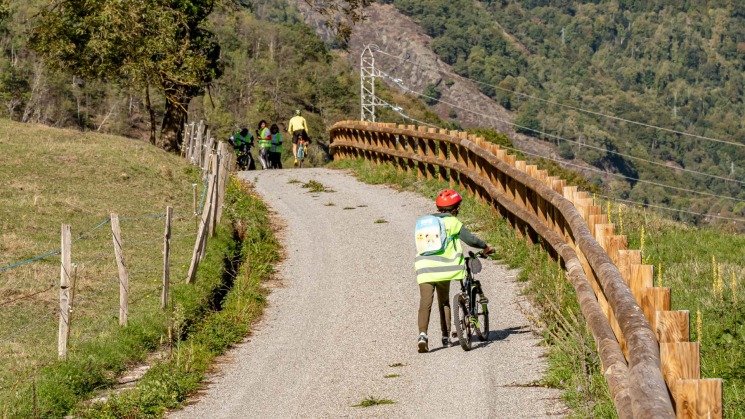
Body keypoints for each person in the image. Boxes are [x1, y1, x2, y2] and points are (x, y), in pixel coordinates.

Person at [414, 189, 494, 353]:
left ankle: (422, 336)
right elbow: (471, 240)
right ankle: (446, 337)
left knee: (425, 302)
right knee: (443, 301)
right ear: (456, 208)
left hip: (424, 266)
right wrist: (486, 247)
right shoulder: (453, 222)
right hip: (444, 267)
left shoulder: (425, 222)